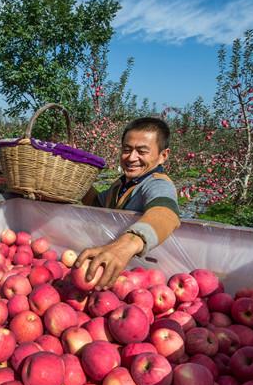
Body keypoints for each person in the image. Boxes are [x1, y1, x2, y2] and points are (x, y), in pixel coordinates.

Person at [77, 116, 181, 289]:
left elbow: (166, 212)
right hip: (112, 273)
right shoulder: (121, 184)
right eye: (127, 149)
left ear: (163, 155)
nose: (131, 157)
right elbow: (98, 205)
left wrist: (126, 245)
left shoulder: (157, 183)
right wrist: (79, 183)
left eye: (142, 151)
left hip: (139, 278)